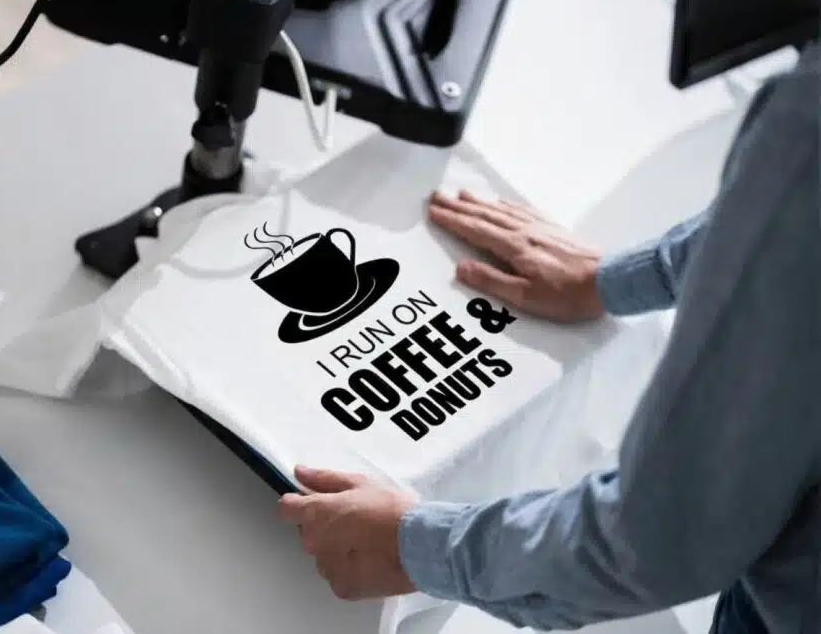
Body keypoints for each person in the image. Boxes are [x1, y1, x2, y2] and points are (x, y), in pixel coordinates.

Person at [278, 42, 820, 633]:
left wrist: (419, 549)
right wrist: (624, 276)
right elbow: (787, 223)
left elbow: (656, 539)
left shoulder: (806, 127)